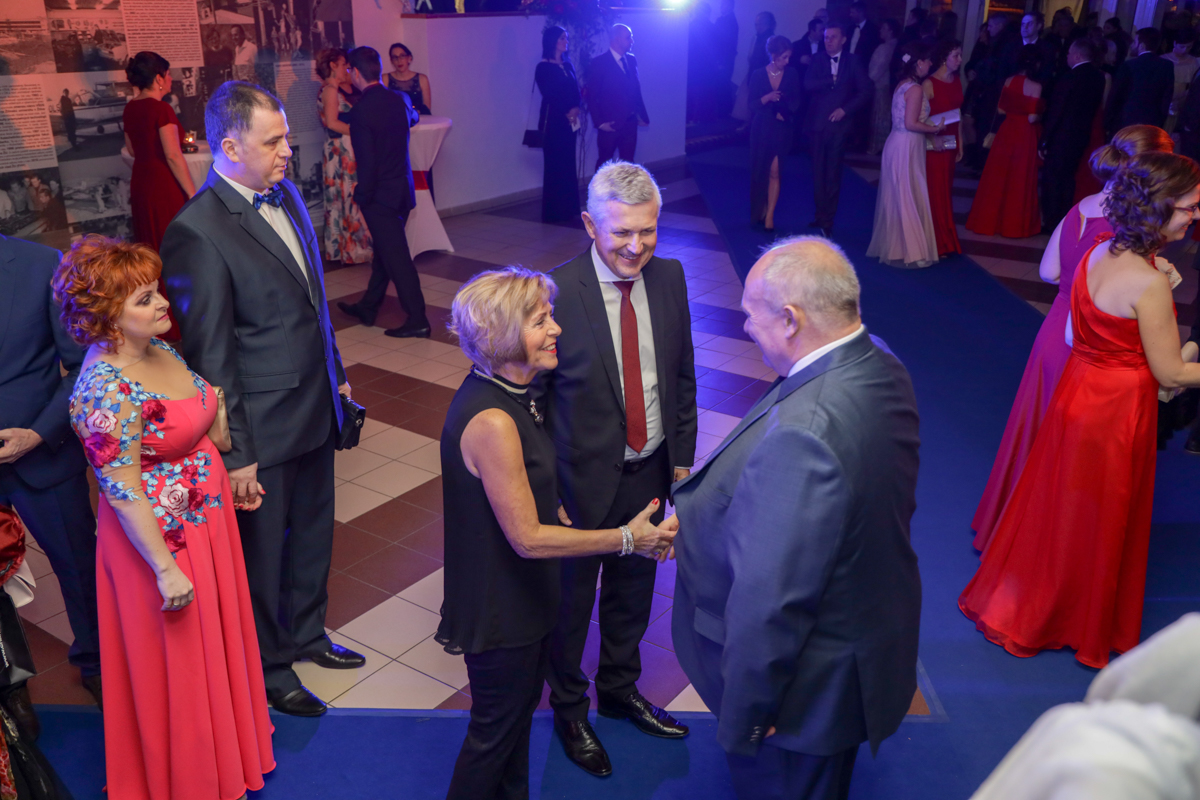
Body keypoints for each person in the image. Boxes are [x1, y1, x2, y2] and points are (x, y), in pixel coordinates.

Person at [670, 236, 921, 800]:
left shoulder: (803, 438)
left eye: (750, 316)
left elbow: (771, 603)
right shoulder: (879, 358)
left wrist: (750, 715)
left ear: (790, 319)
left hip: (806, 693)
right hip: (863, 634)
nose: (745, 329)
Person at [161, 81, 361, 718]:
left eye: (285, 139)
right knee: (264, 554)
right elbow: (211, 357)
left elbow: (313, 304)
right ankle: (271, 666)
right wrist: (237, 452)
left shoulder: (288, 194)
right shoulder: (197, 230)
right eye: (273, 141)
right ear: (229, 146)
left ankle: (307, 634)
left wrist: (337, 375)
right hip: (263, 428)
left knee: (314, 536)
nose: (287, 151)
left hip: (315, 406)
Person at [438, 266, 676, 800]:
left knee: (514, 729)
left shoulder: (513, 394)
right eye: (540, 321)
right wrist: (626, 539)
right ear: (501, 336)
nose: (556, 330)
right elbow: (527, 538)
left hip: (522, 596)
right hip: (501, 607)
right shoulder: (494, 420)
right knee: (493, 738)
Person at [960, 152, 1200, 669]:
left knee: (1062, 506)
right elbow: (1171, 374)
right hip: (1116, 410)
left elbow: (1079, 329)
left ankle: (1039, 601)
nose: (1195, 216)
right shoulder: (1150, 283)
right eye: (1189, 207)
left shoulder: (1096, 251)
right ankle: (1070, 615)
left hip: (1078, 391)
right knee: (1099, 513)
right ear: (1160, 207)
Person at [54, 236, 274, 799]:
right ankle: (192, 776)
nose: (163, 305)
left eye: (156, 292)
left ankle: (229, 751)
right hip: (160, 542)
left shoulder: (159, 350)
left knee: (212, 645)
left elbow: (194, 427)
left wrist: (225, 464)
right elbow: (122, 490)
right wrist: (165, 570)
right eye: (145, 298)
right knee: (180, 662)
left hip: (206, 523)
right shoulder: (103, 390)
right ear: (107, 316)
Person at [538, 162, 697, 778]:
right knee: (571, 605)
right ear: (589, 224)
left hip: (649, 472)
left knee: (634, 594)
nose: (636, 247)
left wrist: (680, 467)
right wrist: (546, 491)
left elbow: (681, 376)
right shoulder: (556, 291)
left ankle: (619, 689)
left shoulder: (671, 277)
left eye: (647, 231)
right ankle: (570, 709)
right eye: (621, 232)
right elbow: (534, 406)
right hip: (578, 484)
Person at [970, 125, 1175, 553]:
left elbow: (1048, 273)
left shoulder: (1081, 206)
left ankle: (1008, 527)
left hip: (1053, 330)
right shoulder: (1131, 226)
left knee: (1036, 428)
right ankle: (1045, 542)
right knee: (1070, 451)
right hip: (1091, 338)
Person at [0, 234, 101, 712]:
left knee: (80, 569)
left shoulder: (42, 263)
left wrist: (38, 434)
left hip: (42, 453)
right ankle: (9, 691)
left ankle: (99, 663)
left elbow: (84, 365)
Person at [338, 46, 429, 338]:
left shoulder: (361, 112)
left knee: (397, 258)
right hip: (402, 191)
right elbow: (413, 118)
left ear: (355, 72)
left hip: (380, 197)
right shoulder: (399, 99)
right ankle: (368, 306)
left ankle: (418, 319)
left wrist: (362, 196)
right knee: (385, 253)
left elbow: (367, 163)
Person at [866, 41, 942, 268]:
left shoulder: (902, 84)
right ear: (919, 63)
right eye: (928, 60)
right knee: (908, 194)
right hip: (907, 143)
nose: (930, 64)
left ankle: (897, 247)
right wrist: (935, 129)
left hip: (897, 142)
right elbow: (911, 123)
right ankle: (913, 251)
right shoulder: (916, 89)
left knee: (898, 195)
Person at [965, 45, 1045, 239]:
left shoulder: (1009, 81)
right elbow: (1032, 118)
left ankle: (990, 221)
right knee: (1019, 179)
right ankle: (1013, 225)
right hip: (1024, 134)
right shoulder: (1036, 86)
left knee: (998, 177)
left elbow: (1001, 110)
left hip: (1006, 131)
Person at [123, 51, 196, 253]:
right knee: (171, 244)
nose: (171, 78)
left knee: (150, 243)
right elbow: (173, 155)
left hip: (141, 183)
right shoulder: (162, 109)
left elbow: (131, 150)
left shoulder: (130, 108)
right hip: (163, 184)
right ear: (158, 79)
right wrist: (192, 193)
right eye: (168, 74)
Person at [804, 22, 869, 237]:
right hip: (817, 124)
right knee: (817, 172)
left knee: (833, 173)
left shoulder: (853, 61)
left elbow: (866, 91)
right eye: (826, 37)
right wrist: (828, 80)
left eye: (833, 36)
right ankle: (819, 214)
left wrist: (845, 110)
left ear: (843, 40)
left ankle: (827, 219)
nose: (828, 40)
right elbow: (807, 85)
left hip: (840, 126)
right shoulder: (817, 59)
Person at [1039, 38, 1107, 231]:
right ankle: (1064, 219)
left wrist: (1045, 139)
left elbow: (1057, 111)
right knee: (1068, 179)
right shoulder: (1098, 77)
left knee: (1052, 179)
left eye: (1069, 53)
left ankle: (1051, 221)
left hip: (1061, 136)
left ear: (1077, 56)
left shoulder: (1069, 77)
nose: (1067, 56)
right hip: (1081, 136)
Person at [316, 47, 373, 265]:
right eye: (343, 65)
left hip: (341, 147)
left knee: (344, 197)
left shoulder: (331, 89)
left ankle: (346, 247)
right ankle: (352, 248)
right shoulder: (330, 90)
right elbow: (332, 123)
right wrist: (361, 131)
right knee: (348, 195)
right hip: (340, 149)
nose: (346, 69)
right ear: (332, 65)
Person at [749, 35, 799, 231]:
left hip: (781, 129)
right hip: (761, 129)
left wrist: (784, 113)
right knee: (760, 171)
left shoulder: (792, 74)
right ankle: (760, 210)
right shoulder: (758, 74)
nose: (787, 61)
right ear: (774, 55)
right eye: (784, 57)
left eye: (789, 57)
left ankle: (770, 214)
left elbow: (797, 102)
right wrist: (767, 98)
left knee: (775, 171)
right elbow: (752, 104)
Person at [535, 27, 582, 224]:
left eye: (566, 38)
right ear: (553, 41)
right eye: (562, 38)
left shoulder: (568, 65)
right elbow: (549, 94)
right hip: (554, 122)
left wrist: (576, 108)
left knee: (568, 163)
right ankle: (554, 212)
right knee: (555, 165)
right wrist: (567, 110)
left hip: (570, 122)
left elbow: (576, 90)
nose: (565, 41)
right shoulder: (543, 68)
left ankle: (570, 208)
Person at [587, 25, 650, 169]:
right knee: (604, 164)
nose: (632, 41)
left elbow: (636, 90)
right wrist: (600, 123)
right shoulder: (599, 63)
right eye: (628, 38)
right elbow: (592, 96)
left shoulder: (631, 60)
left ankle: (625, 186)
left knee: (628, 164)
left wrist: (641, 115)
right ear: (616, 40)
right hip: (610, 124)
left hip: (630, 123)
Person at [923, 38, 964, 257]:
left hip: (950, 142)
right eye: (955, 55)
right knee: (935, 191)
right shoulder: (929, 83)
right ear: (944, 58)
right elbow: (919, 118)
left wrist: (960, 142)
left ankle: (944, 239)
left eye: (960, 55)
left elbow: (958, 115)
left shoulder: (956, 81)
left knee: (945, 190)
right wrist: (931, 139)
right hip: (934, 144)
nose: (960, 59)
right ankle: (935, 242)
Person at [1105, 28, 1173, 135]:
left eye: (1134, 42)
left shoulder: (1128, 65)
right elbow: (1166, 98)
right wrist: (1159, 124)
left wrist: (1108, 122)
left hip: (1125, 121)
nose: (1132, 45)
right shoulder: (1167, 66)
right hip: (1152, 123)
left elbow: (1116, 96)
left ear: (1141, 45)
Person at [867, 19, 899, 155]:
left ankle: (878, 145)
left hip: (880, 85)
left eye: (884, 28)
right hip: (887, 85)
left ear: (890, 31)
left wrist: (868, 80)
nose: (881, 30)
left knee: (880, 115)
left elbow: (877, 69)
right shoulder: (895, 46)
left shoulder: (885, 48)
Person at [1163, 29, 1198, 132]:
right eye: (1182, 46)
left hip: (1183, 101)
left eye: (1189, 47)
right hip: (1164, 99)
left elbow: (1195, 87)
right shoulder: (1164, 59)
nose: (1185, 50)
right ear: (1175, 43)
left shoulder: (1194, 62)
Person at [384, 42, 432, 115]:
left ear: (409, 58)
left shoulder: (422, 79)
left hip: (420, 120)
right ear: (391, 61)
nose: (399, 60)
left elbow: (426, 108)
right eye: (395, 57)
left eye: (402, 56)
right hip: (394, 120)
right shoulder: (385, 78)